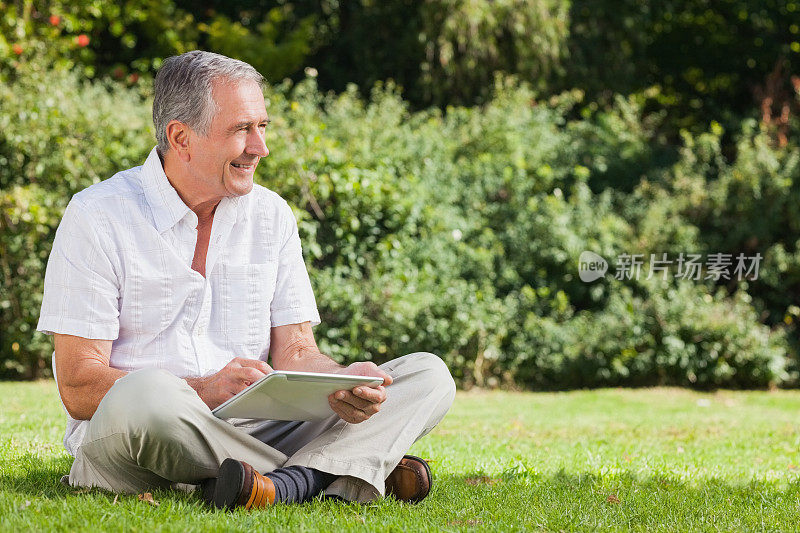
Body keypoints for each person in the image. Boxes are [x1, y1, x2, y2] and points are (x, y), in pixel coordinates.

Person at [37, 50, 455, 508]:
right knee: (146, 393)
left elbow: (296, 352)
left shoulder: (271, 214)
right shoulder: (97, 216)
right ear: (182, 138)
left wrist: (339, 381)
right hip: (144, 432)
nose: (260, 147)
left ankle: (270, 485)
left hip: (260, 424)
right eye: (242, 129)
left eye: (262, 127)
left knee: (427, 375)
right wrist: (202, 388)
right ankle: (330, 471)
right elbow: (79, 387)